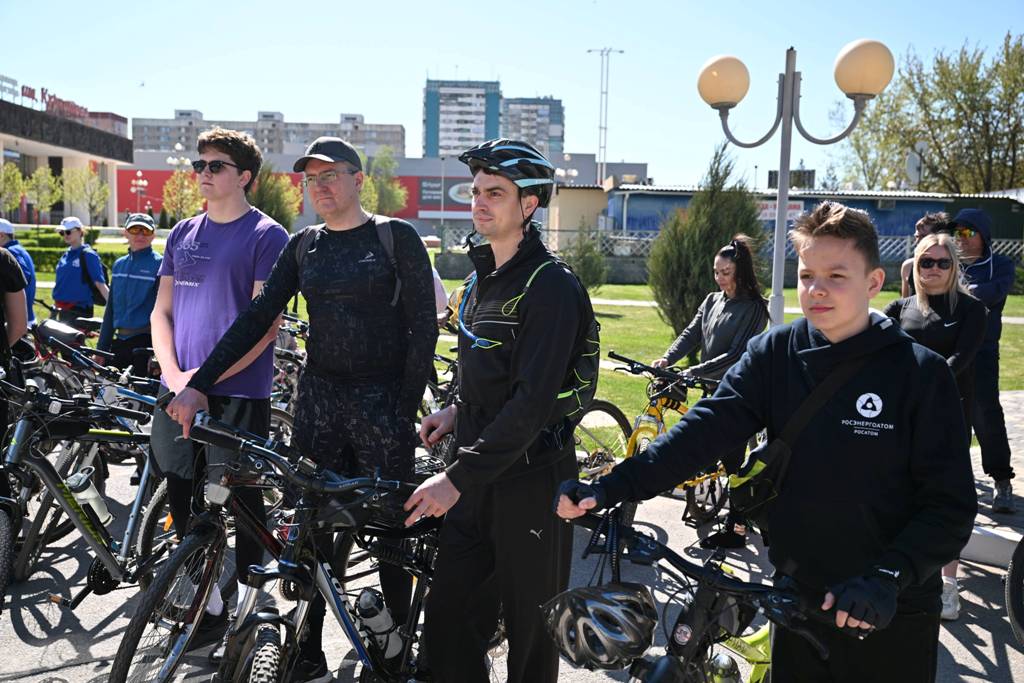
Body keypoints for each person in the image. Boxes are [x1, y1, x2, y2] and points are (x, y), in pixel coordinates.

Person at [558, 201, 977, 683]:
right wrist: (612, 486)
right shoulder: (775, 353)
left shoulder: (920, 374)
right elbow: (704, 430)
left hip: (888, 608)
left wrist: (890, 576)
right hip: (796, 599)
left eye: (836, 276)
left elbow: (950, 506)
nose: (816, 290)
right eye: (807, 275)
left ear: (874, 282)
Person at [167, 135, 438, 682]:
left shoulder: (395, 237)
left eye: (330, 175)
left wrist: (403, 409)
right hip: (319, 404)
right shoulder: (304, 245)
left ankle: (394, 651)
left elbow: (423, 329)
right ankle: (307, 650)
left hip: (382, 404)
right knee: (309, 533)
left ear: (358, 179)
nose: (320, 187)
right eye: (311, 179)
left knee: (391, 534)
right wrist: (199, 384)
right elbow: (256, 316)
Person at [411, 139, 591, 683]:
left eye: (495, 193)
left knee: (530, 640)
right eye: (475, 192)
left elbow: (530, 406)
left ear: (529, 205)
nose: (479, 203)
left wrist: (454, 479)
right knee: (448, 623)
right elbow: (488, 375)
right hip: (475, 476)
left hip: (532, 482)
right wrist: (455, 410)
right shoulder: (478, 281)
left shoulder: (551, 286)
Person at [150, 127, 289, 652]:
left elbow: (265, 327)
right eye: (199, 165)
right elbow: (161, 313)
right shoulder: (182, 232)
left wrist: (204, 382)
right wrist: (176, 378)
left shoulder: (267, 236)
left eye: (216, 166)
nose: (203, 173)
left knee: (243, 502)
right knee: (182, 496)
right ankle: (207, 609)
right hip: (178, 389)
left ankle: (251, 614)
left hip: (237, 393)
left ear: (245, 176)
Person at [883, 232, 986, 621]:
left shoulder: (972, 310)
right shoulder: (899, 308)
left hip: (948, 415)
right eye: (927, 261)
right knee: (900, 492)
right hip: (901, 417)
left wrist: (919, 387)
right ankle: (896, 571)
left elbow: (960, 358)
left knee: (944, 498)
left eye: (943, 262)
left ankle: (948, 585)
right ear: (915, 265)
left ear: (954, 267)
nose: (934, 269)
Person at [651, 234, 769, 549]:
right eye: (716, 272)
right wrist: (668, 359)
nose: (719, 278)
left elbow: (736, 354)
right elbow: (691, 334)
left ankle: (737, 528)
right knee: (706, 446)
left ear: (740, 272)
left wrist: (693, 371)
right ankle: (708, 500)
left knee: (734, 464)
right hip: (713, 389)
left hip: (741, 394)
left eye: (725, 272)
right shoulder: (712, 300)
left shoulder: (755, 308)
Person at [952, 207, 1017, 513]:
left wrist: (956, 293)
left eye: (968, 231)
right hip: (949, 351)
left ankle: (1002, 481)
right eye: (957, 232)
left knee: (986, 416)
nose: (961, 238)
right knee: (948, 417)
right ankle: (950, 481)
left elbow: (992, 293)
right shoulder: (947, 262)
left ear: (983, 236)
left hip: (983, 353)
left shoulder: (1001, 265)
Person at [98, 213, 162, 377]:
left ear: (153, 235)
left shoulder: (160, 265)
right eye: (134, 230)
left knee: (138, 393)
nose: (140, 235)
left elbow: (166, 313)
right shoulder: (119, 265)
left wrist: (158, 353)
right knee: (108, 390)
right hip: (119, 342)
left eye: (145, 231)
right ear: (125, 233)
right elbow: (110, 310)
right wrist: (101, 348)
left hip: (146, 344)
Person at [52, 216, 108, 322]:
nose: (65, 235)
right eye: (62, 233)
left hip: (79, 310)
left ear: (79, 231)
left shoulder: (88, 254)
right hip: (61, 309)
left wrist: (114, 309)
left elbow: (100, 284)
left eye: (68, 232)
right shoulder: (66, 254)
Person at [900, 212, 949, 297]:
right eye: (917, 237)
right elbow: (904, 302)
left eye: (924, 236)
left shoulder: (950, 266)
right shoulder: (908, 266)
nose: (918, 242)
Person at [0, 219, 36, 325]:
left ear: (1, 235)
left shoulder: (10, 252)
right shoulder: (17, 249)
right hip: (24, 316)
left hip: (16, 320)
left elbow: (18, 282)